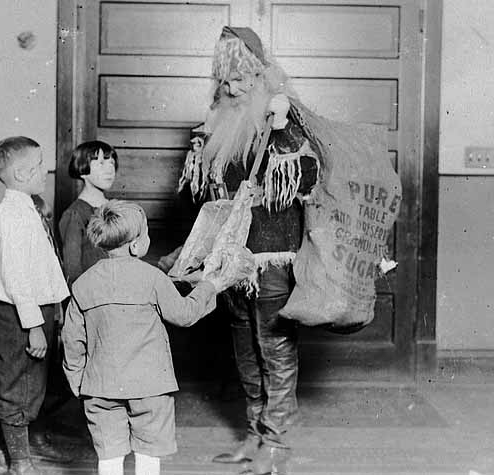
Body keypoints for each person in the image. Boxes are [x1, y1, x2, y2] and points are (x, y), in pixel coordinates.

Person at [175, 26, 325, 475]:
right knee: (244, 345)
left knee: (273, 346)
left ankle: (276, 445)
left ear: (261, 75)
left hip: (271, 256)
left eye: (241, 79)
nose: (232, 88)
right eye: (225, 80)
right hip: (230, 256)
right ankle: (255, 434)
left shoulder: (283, 118)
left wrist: (279, 132)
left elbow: (306, 182)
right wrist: (200, 146)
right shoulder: (218, 120)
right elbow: (199, 192)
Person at [61, 200, 242, 475]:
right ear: (136, 245)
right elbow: (185, 314)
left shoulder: (84, 284)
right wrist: (210, 285)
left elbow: (73, 342)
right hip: (150, 388)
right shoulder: (152, 278)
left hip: (100, 387)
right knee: (148, 455)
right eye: (146, 233)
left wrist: (78, 382)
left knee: (108, 457)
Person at [0, 136, 70, 475]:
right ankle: (19, 462)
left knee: (13, 379)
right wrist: (34, 325)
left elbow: (43, 267)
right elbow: (17, 278)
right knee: (19, 385)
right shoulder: (14, 215)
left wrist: (54, 308)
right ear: (20, 174)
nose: (46, 170)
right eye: (40, 165)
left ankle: (0, 453)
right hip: (20, 314)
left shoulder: (26, 209)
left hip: (32, 310)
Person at [58, 140, 118, 285]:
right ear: (83, 169)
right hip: (92, 292)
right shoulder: (75, 214)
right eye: (101, 163)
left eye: (111, 163)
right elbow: (72, 271)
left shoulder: (116, 208)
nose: (110, 169)